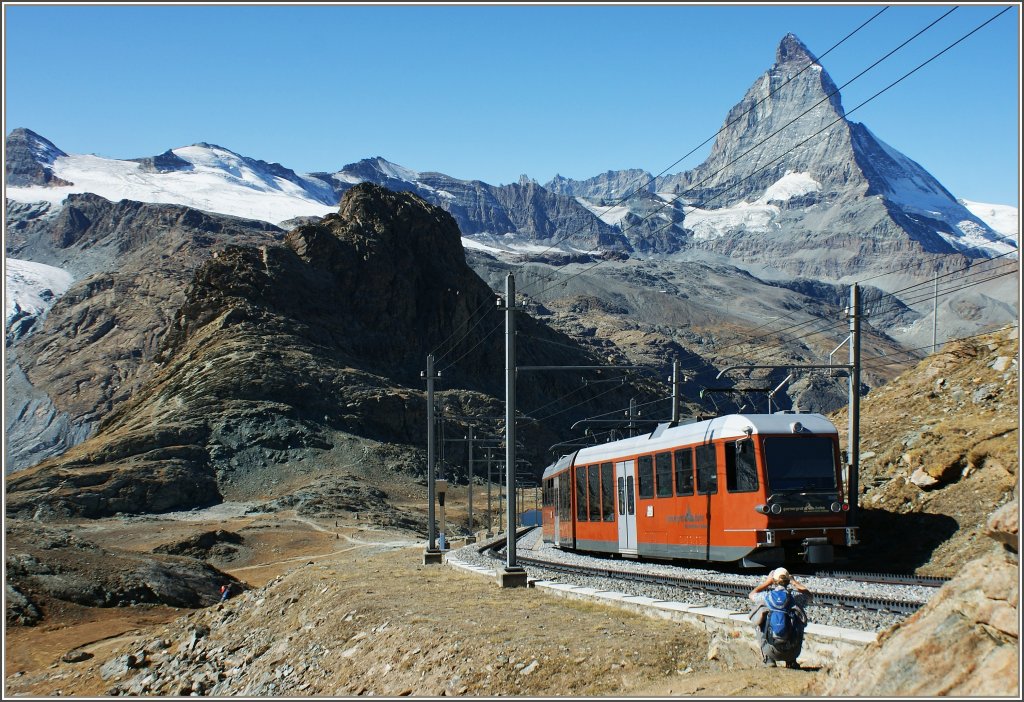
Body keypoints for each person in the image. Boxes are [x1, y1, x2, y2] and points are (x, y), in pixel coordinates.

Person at [748, 567, 810, 668]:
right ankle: (791, 661)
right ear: (787, 581)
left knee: (760, 618)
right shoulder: (794, 597)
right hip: (792, 651)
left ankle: (769, 659)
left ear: (774, 581)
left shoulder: (767, 596)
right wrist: (794, 582)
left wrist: (767, 582)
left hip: (771, 650)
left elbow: (751, 594)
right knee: (797, 618)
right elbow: (809, 595)